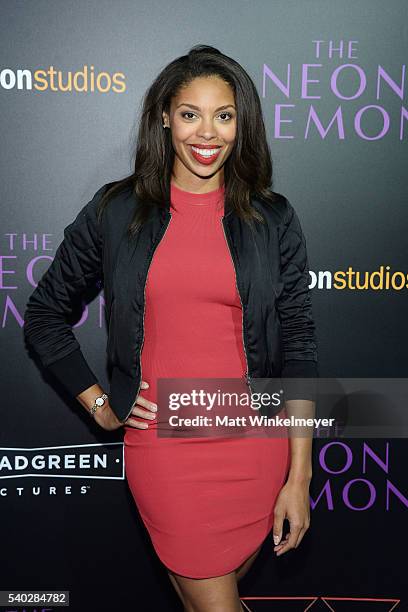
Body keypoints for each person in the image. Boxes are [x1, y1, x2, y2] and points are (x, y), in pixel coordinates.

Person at [24, 44, 318, 612]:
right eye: (190, 114)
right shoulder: (117, 211)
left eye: (224, 115)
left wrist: (299, 477)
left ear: (242, 123)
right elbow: (45, 316)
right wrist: (100, 404)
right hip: (166, 451)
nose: (207, 133)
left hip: (257, 449)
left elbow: (300, 346)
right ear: (164, 116)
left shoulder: (273, 218)